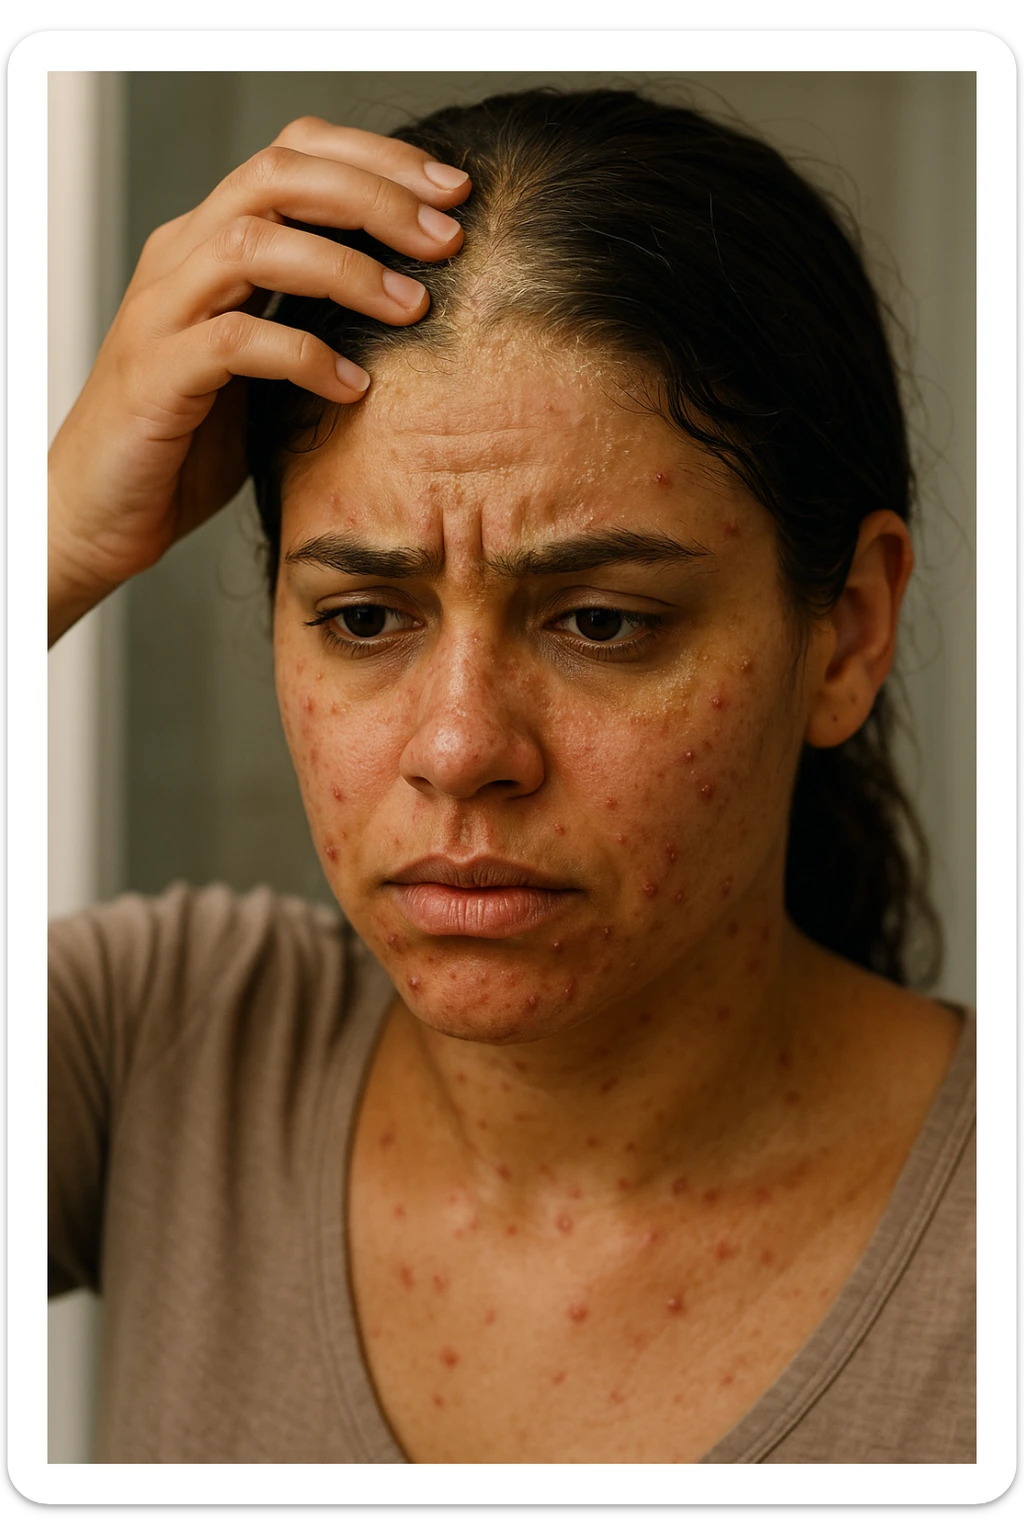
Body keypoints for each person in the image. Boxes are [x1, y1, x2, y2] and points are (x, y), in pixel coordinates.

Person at [47, 87, 974, 1465]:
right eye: (365, 619)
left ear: (845, 634)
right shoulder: (157, 1056)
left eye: (600, 622)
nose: (460, 749)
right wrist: (46, 541)